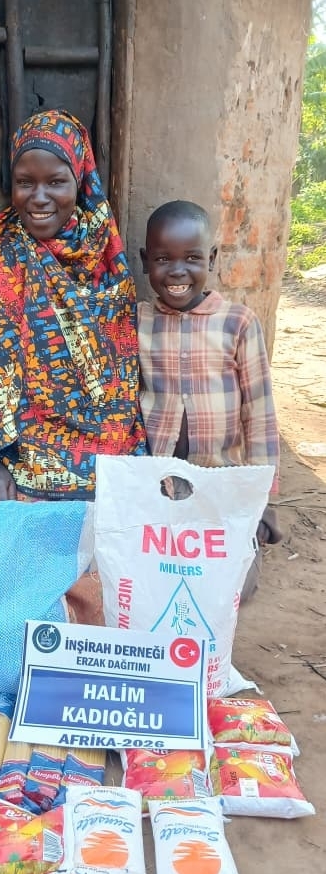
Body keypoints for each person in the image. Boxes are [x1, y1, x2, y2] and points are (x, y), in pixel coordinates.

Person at [0, 109, 147, 620]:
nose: (39, 197)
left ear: (81, 180)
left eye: (56, 182)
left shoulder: (105, 255)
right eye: (25, 182)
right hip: (13, 449)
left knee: (120, 527)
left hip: (99, 441)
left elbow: (118, 372)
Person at [137, 200, 282, 597]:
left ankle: (245, 540)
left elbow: (260, 415)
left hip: (222, 484)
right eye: (163, 259)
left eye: (192, 258)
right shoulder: (137, 322)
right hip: (156, 485)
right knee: (148, 579)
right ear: (146, 261)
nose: (177, 271)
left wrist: (260, 500)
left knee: (231, 588)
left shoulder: (238, 323)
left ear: (212, 259)